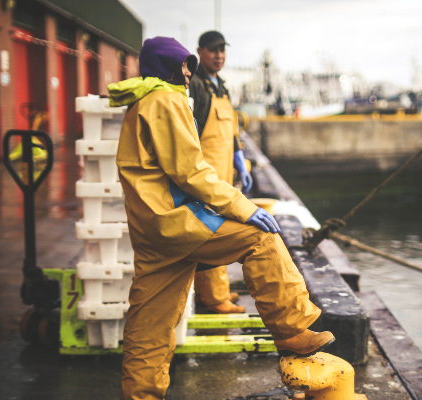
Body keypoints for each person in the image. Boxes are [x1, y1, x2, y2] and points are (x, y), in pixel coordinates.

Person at [108, 36, 334, 400]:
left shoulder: (140, 101)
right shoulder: (166, 99)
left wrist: (236, 159)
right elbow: (191, 171)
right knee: (260, 238)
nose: (186, 73)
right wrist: (244, 207)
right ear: (167, 66)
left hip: (150, 229)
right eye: (182, 65)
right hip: (179, 221)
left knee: (149, 324)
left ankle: (140, 395)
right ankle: (291, 330)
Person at [189, 30, 251, 314]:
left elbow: (231, 129)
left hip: (225, 174)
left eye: (222, 50)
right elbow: (190, 132)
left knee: (218, 229)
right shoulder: (197, 86)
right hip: (206, 177)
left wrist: (238, 155)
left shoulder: (221, 86)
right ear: (200, 51)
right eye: (213, 50)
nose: (219, 55)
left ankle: (216, 291)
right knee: (212, 234)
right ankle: (214, 298)